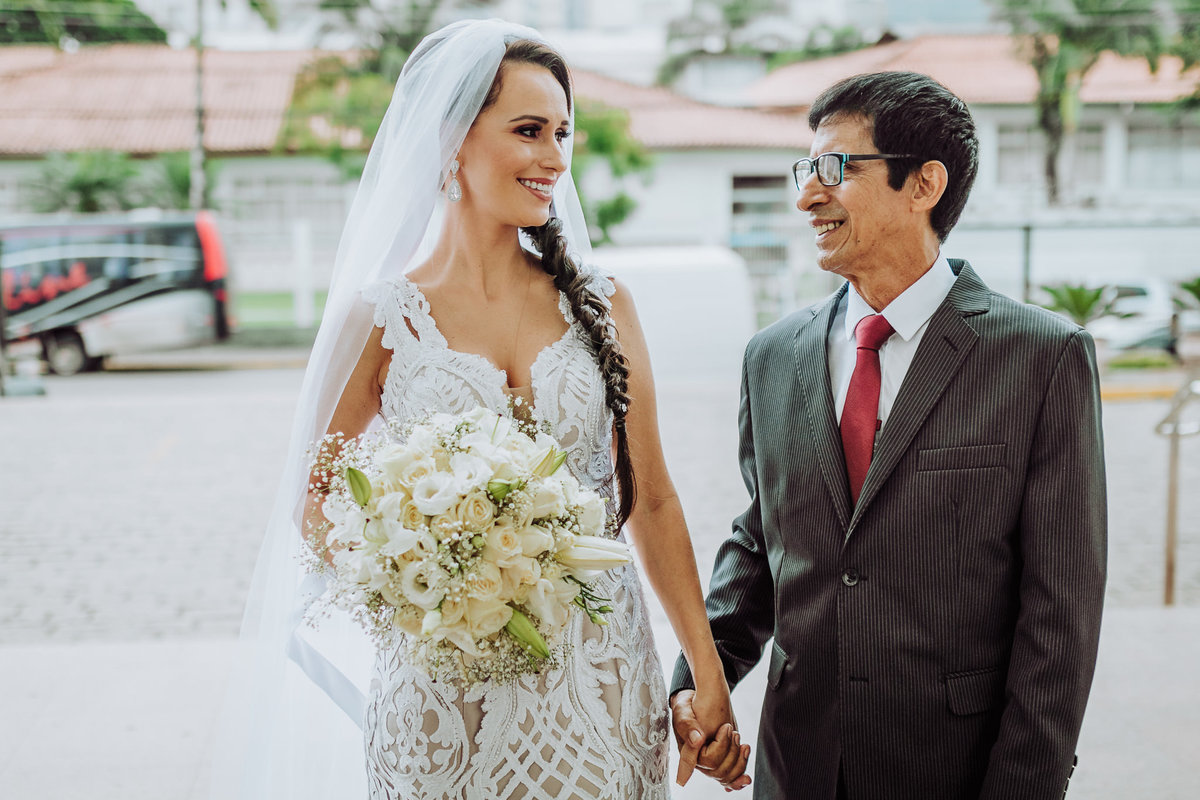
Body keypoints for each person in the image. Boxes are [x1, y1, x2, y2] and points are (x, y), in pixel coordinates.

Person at [209, 19, 737, 800]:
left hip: (600, 679)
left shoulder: (603, 304)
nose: (555, 158)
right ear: (451, 138)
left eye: (562, 133)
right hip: (442, 687)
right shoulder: (382, 319)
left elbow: (650, 497)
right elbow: (312, 495)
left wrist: (707, 668)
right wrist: (420, 574)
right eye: (529, 131)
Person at [670, 71, 1107, 799]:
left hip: (954, 771)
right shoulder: (771, 356)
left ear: (924, 184)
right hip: (797, 766)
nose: (808, 194)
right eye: (806, 169)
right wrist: (698, 683)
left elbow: (1060, 612)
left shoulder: (1042, 356)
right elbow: (760, 547)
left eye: (836, 168)